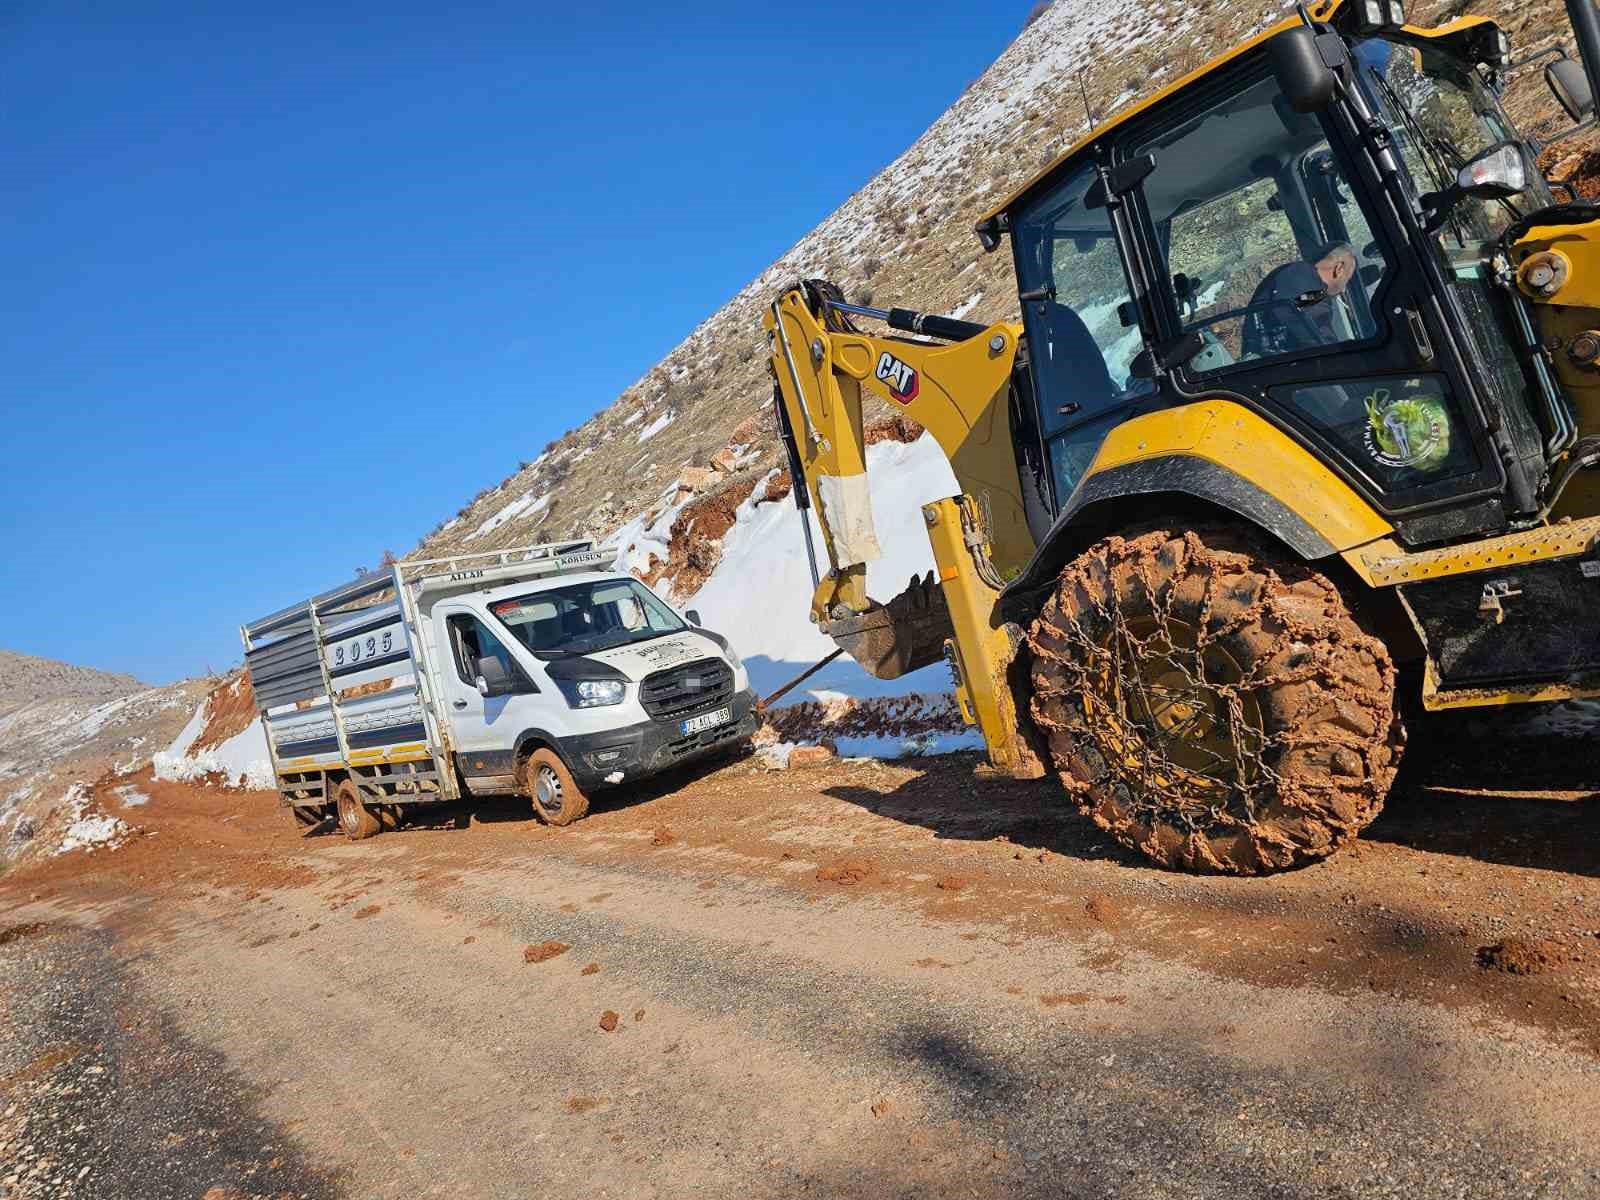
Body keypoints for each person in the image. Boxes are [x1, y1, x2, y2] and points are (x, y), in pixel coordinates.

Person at [1241, 241, 1358, 358]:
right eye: (1346, 280)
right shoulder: (1306, 281)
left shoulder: (1302, 278)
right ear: (1339, 268)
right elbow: (1316, 336)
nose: (1343, 290)